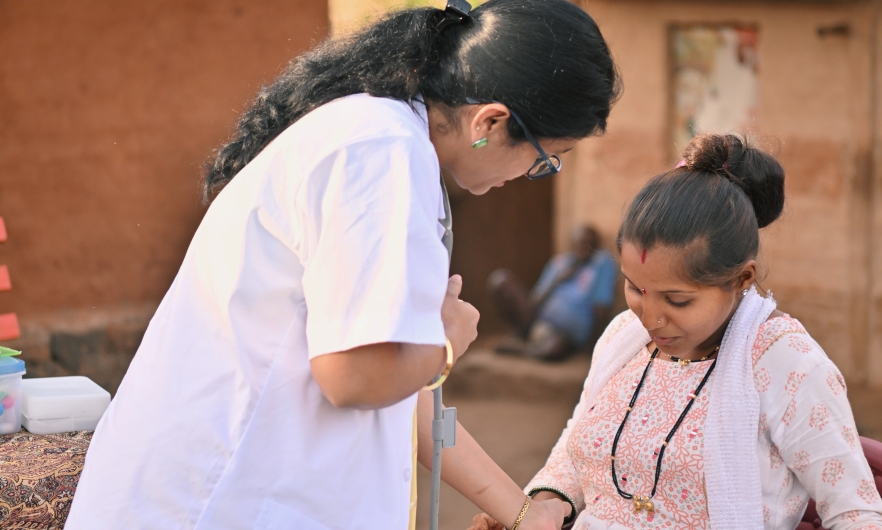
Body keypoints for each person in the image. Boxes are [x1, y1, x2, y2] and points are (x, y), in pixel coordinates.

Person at [64, 0, 621, 529]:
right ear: (490, 123)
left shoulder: (391, 148)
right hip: (213, 500)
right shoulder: (380, 153)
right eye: (546, 160)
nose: (531, 175)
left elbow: (404, 392)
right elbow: (358, 376)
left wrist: (524, 512)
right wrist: (443, 342)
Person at [470, 134, 882, 529]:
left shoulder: (786, 363)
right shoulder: (622, 338)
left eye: (677, 300)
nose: (649, 318)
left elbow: (856, 514)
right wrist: (532, 512)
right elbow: (576, 452)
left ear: (742, 279)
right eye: (634, 288)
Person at [488, 225, 617, 360]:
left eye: (589, 243)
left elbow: (601, 308)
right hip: (537, 319)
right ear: (572, 245)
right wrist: (557, 280)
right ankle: (522, 335)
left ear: (596, 246)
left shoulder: (601, 264)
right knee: (500, 281)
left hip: (565, 333)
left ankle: (520, 348)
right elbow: (534, 301)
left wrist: (592, 346)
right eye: (580, 243)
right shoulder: (560, 263)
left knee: (552, 351)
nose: (584, 247)